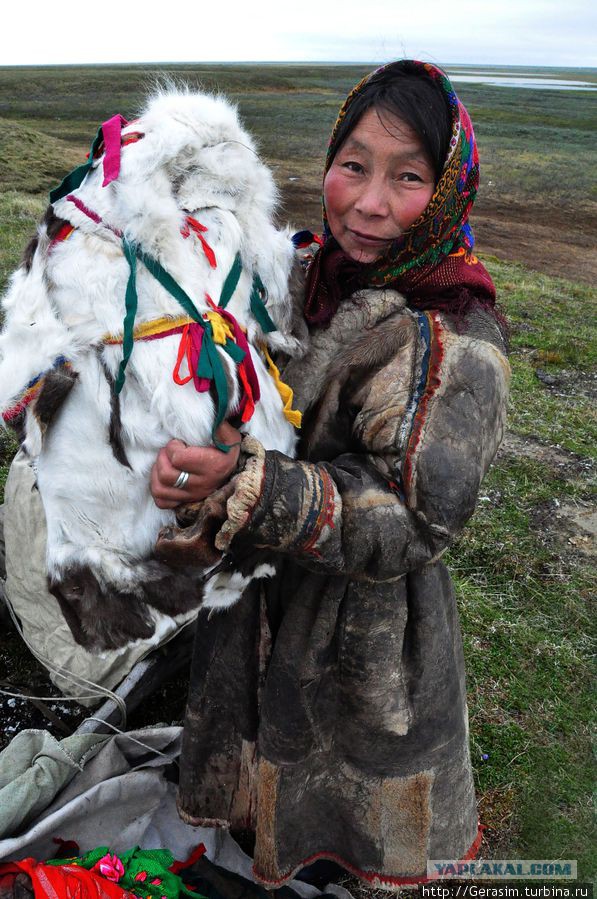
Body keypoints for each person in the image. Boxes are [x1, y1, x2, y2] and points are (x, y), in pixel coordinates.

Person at [151, 60, 510, 888]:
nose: (368, 202)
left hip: (366, 630)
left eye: (407, 176)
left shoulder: (452, 338)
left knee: (346, 793)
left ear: (449, 191)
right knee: (256, 764)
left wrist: (249, 482)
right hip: (256, 599)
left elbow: (413, 516)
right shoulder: (295, 273)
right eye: (352, 164)